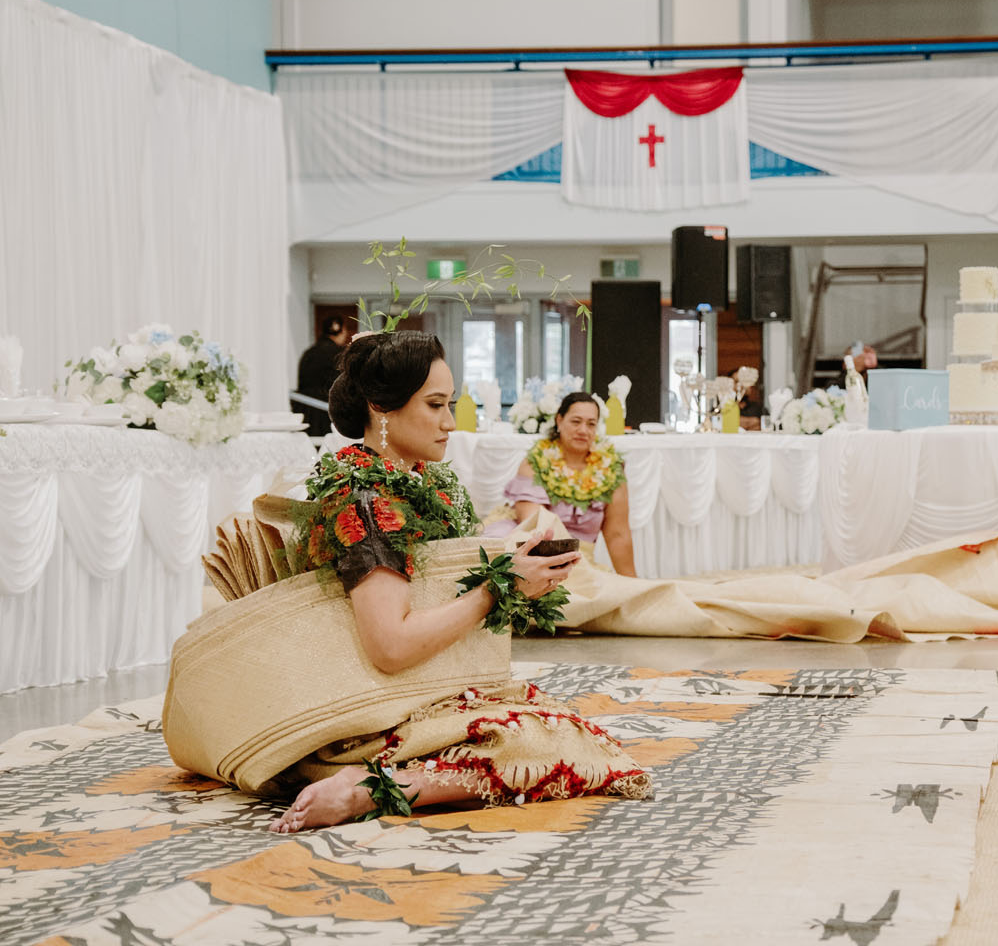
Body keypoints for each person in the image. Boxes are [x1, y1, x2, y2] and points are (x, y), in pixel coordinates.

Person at [164, 331, 651, 832]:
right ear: (382, 409)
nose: (449, 422)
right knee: (545, 744)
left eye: (451, 404)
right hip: (362, 717)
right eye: (436, 405)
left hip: (419, 691)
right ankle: (371, 789)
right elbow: (390, 648)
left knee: (571, 735)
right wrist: (496, 588)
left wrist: (520, 581)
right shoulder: (367, 502)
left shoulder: (424, 480)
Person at [487, 392, 638, 577]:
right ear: (559, 421)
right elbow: (535, 526)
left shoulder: (611, 470)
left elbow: (618, 535)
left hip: (580, 561)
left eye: (591, 424)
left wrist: (632, 583)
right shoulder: (535, 463)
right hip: (536, 549)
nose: (583, 430)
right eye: (576, 421)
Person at [292, 316, 350, 436]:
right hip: (325, 412)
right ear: (342, 331)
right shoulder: (339, 353)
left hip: (304, 411)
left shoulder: (308, 353)